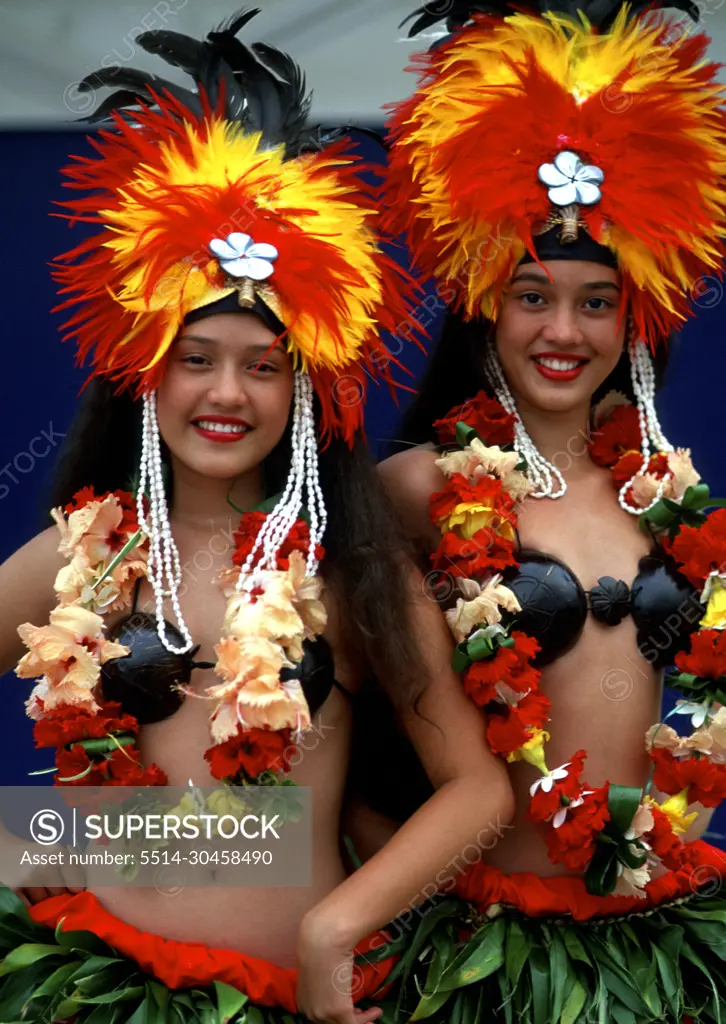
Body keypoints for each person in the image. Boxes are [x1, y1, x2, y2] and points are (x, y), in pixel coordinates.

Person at [0, 12, 514, 1024]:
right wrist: (23, 843)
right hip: (93, 986)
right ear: (146, 375)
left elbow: (479, 791)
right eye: (196, 358)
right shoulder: (87, 556)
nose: (225, 392)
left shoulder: (346, 570)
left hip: (287, 1000)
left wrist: (339, 926)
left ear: (305, 390)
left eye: (262, 365)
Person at [364, 0, 726, 1018]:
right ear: (486, 299)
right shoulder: (413, 493)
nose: (563, 329)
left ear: (635, 314)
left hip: (666, 938)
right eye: (532, 294)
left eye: (595, 300)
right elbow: (323, 724)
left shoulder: (672, 498)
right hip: (481, 952)